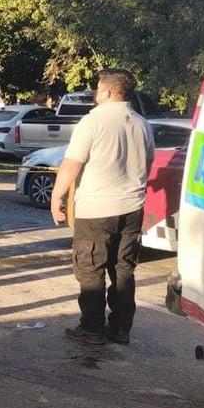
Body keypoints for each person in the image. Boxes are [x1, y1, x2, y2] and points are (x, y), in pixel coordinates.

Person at [49, 69, 153, 346]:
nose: (95, 93)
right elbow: (148, 163)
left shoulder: (92, 122)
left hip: (96, 207)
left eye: (97, 89)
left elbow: (72, 163)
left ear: (107, 92)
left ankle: (92, 327)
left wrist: (56, 197)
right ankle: (120, 328)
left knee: (91, 268)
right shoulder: (142, 124)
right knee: (123, 268)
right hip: (132, 206)